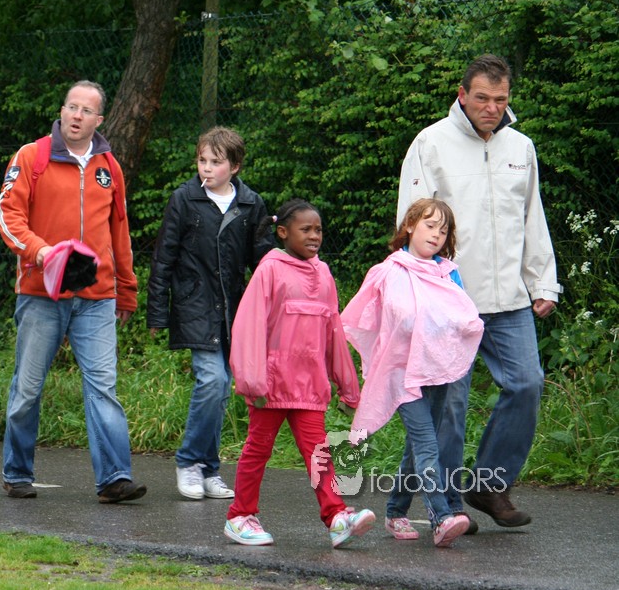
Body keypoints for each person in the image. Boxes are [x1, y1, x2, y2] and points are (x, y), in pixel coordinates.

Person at [398, 54, 562, 529]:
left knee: (527, 384)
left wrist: (542, 281)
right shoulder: (430, 143)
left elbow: (532, 217)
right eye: (483, 98)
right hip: (448, 300)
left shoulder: (521, 147)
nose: (492, 108)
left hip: (509, 298)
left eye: (501, 100)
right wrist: (418, 286)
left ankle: (490, 485)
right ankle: (446, 506)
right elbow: (412, 221)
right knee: (450, 405)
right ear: (462, 94)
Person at [0, 80, 146, 504]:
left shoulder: (109, 166)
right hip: (41, 293)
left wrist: (126, 289)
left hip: (97, 297)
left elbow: (120, 232)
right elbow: (7, 214)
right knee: (28, 389)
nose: (77, 116)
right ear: (61, 111)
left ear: (100, 120)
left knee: (103, 387)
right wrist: (40, 252)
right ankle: (17, 473)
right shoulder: (32, 156)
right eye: (71, 107)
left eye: (86, 110)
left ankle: (114, 479)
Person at [222, 199, 375, 549]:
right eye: (305, 229)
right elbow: (249, 326)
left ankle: (336, 517)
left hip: (309, 386)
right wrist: (253, 381)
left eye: (318, 230)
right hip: (270, 386)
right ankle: (239, 516)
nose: (314, 236)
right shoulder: (269, 270)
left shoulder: (324, 275)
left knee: (319, 453)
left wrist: (348, 387)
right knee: (257, 450)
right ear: (282, 232)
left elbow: (333, 332)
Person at [341, 199, 483, 547]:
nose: (436, 235)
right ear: (409, 226)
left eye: (443, 230)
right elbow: (364, 318)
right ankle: (441, 518)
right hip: (401, 375)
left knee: (418, 444)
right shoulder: (388, 272)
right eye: (429, 225)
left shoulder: (447, 273)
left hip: (437, 371)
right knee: (427, 444)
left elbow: (461, 315)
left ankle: (395, 511)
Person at [147, 126, 275, 501]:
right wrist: (157, 313)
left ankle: (209, 469)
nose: (206, 168)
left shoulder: (251, 204)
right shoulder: (183, 199)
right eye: (202, 160)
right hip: (194, 306)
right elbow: (163, 258)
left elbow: (263, 261)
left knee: (220, 391)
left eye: (215, 162)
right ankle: (188, 461)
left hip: (235, 311)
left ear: (234, 166)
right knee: (213, 381)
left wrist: (272, 309)